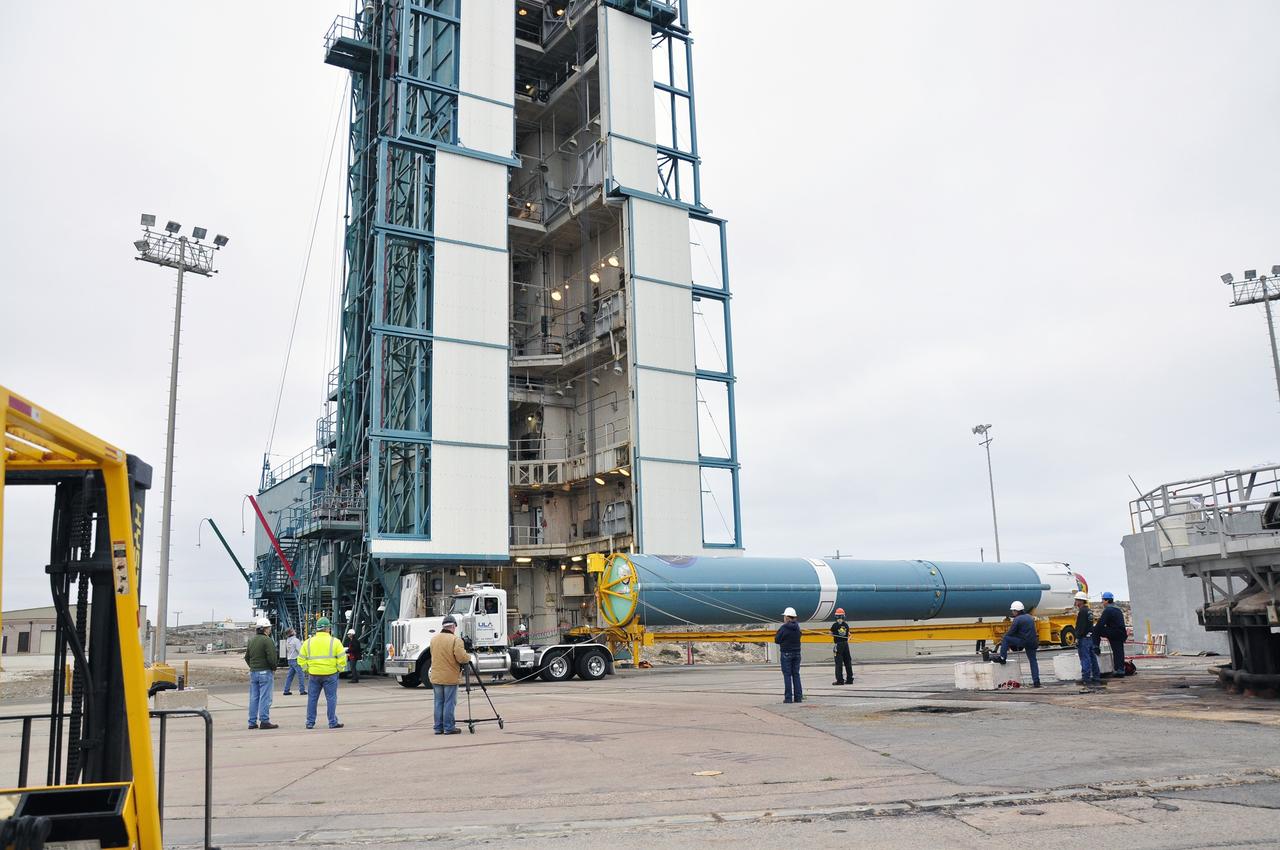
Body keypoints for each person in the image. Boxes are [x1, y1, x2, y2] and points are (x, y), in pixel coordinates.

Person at [298, 617, 347, 729]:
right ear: (327, 628)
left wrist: (307, 669)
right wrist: (338, 669)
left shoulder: (308, 642)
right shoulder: (335, 642)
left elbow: (300, 659)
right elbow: (342, 658)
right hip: (330, 674)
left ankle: (310, 722)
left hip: (314, 675)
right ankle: (332, 722)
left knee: (312, 699)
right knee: (331, 698)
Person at [428, 614, 473, 735]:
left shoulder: (434, 639)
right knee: (449, 702)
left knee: (438, 702)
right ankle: (449, 727)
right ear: (453, 627)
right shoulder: (455, 640)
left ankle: (438, 728)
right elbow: (461, 657)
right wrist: (469, 657)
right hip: (450, 677)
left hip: (436, 676)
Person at [989, 600, 1041, 687]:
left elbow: (1010, 633)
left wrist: (1004, 639)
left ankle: (1002, 658)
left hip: (1023, 641)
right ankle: (1036, 682)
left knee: (1006, 638)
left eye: (1013, 611)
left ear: (1016, 611)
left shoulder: (1017, 619)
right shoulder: (1029, 617)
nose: (1012, 612)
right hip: (1033, 642)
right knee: (1033, 661)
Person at [243, 617, 278, 730]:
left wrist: (253, 667)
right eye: (268, 628)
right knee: (265, 697)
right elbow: (272, 657)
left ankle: (252, 722)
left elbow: (247, 657)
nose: (270, 630)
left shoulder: (252, 640)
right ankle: (264, 721)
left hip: (254, 673)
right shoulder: (268, 640)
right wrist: (273, 668)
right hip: (265, 672)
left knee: (254, 697)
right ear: (264, 629)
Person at [1093, 591, 1127, 678]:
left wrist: (1096, 630)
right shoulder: (1118, 609)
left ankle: (1096, 647)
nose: (1102, 602)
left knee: (1096, 629)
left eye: (1103, 600)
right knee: (1118, 651)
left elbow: (1100, 624)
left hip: (1114, 632)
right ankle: (1120, 669)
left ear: (1107, 601)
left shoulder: (1108, 610)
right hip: (1121, 633)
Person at [774, 606, 803, 703]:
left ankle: (788, 698)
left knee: (787, 675)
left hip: (786, 653)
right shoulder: (797, 627)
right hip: (797, 653)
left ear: (787, 617)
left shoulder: (783, 628)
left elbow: (777, 640)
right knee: (796, 675)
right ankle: (798, 697)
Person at [1073, 592, 1102, 688]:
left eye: (1077, 600)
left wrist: (1078, 637)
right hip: (1090, 638)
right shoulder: (1089, 611)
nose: (1075, 601)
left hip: (1084, 638)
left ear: (1080, 601)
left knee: (1085, 658)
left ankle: (1086, 678)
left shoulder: (1082, 612)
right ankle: (1096, 676)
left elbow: (1081, 627)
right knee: (1092, 658)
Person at [830, 608, 853, 685]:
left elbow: (831, 633)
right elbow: (848, 633)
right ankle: (850, 679)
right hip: (845, 644)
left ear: (836, 617)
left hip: (838, 645)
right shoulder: (846, 625)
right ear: (843, 617)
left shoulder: (834, 625)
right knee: (847, 662)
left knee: (838, 663)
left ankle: (840, 680)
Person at [282, 628, 307, 696]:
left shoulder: (288, 640)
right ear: (291, 633)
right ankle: (302, 690)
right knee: (301, 675)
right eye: (293, 630)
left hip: (290, 659)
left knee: (290, 676)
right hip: (296, 659)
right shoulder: (296, 640)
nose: (295, 631)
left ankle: (286, 690)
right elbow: (300, 650)